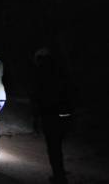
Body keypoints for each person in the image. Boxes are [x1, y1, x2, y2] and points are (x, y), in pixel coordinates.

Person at [31, 46, 74, 184]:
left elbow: (37, 97)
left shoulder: (40, 74)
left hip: (49, 114)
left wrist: (36, 117)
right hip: (63, 113)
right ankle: (60, 172)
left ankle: (59, 176)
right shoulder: (61, 70)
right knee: (58, 144)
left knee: (53, 147)